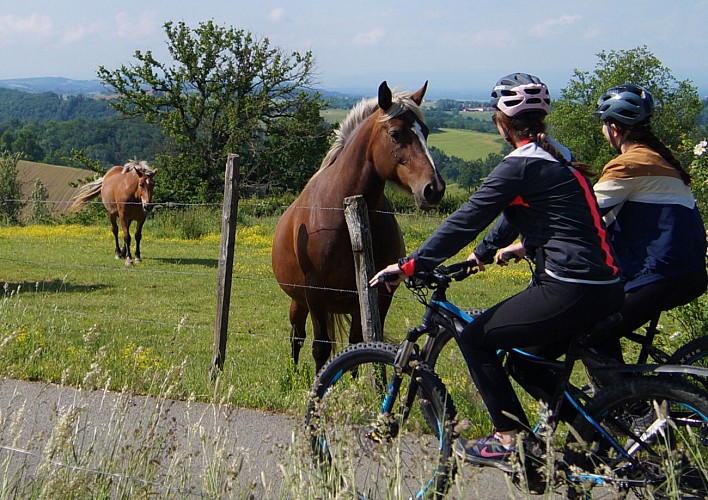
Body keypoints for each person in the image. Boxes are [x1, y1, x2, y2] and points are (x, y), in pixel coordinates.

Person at [370, 73, 624, 471]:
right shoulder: (556, 153)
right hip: (603, 284)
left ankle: (510, 439)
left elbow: (466, 220)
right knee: (524, 362)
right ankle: (588, 443)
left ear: (501, 122)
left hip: (569, 286)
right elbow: (514, 215)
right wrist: (483, 255)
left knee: (475, 338)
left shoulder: (519, 165)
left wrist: (410, 265)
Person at [585, 84, 708, 384]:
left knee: (591, 334)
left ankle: (630, 411)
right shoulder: (660, 160)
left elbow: (584, 213)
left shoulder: (627, 165)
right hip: (687, 272)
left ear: (613, 128)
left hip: (660, 274)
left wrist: (525, 242)